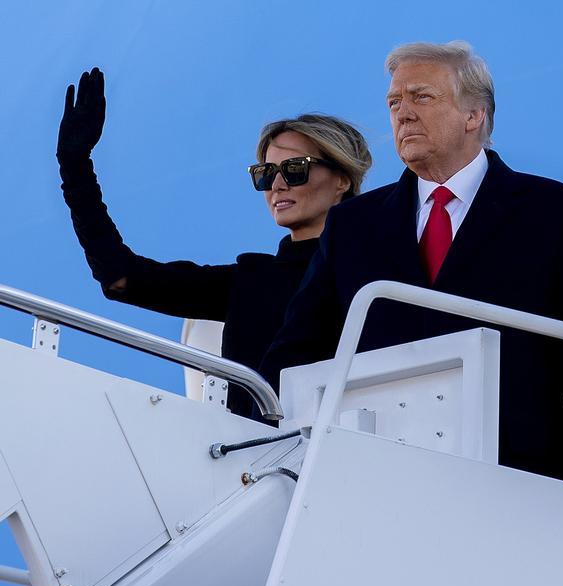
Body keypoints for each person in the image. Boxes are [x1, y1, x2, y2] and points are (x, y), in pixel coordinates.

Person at [261, 41, 563, 493]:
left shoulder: (554, 211)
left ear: (475, 115)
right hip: (377, 481)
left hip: (520, 485)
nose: (403, 113)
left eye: (422, 97)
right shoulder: (354, 224)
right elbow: (296, 354)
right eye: (395, 101)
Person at [57, 67, 372, 416]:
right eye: (265, 174)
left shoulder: (376, 267)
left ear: (342, 179)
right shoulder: (249, 279)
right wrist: (75, 166)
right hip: (253, 460)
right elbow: (121, 278)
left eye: (295, 169)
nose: (277, 185)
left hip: (350, 452)